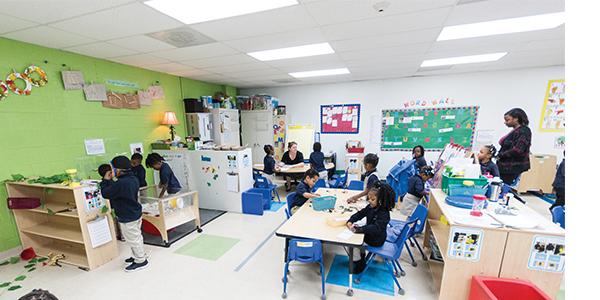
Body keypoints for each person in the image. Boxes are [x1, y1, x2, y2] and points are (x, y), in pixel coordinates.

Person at [99, 156, 149, 272]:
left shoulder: (122, 183)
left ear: (118, 170)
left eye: (113, 169)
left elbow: (106, 193)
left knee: (132, 238)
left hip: (127, 215)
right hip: (135, 212)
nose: (112, 172)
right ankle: (138, 255)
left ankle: (141, 261)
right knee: (136, 236)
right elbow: (116, 189)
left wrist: (106, 180)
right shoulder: (132, 178)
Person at [346, 181, 395, 274]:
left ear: (380, 201)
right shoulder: (371, 206)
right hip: (370, 234)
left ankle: (359, 263)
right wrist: (351, 220)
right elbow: (361, 213)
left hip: (376, 239)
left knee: (352, 243)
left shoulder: (384, 214)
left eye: (372, 199)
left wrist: (360, 229)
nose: (369, 201)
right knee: (355, 239)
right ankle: (361, 256)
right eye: (369, 198)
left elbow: (376, 228)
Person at [497, 108, 532, 187]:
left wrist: (501, 155)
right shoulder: (515, 130)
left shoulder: (524, 131)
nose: (505, 122)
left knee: (504, 187)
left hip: (511, 167)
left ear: (516, 119)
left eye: (507, 120)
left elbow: (518, 150)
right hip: (505, 167)